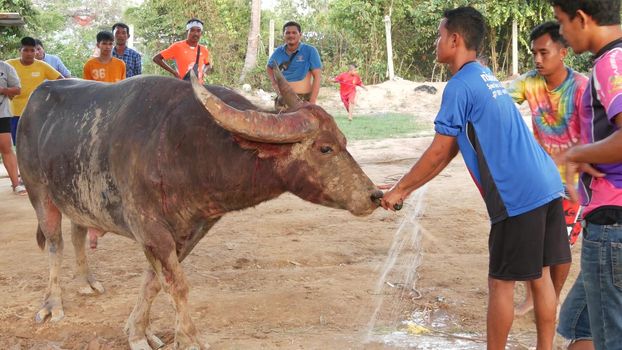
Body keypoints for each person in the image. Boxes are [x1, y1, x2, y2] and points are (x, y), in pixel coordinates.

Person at [380, 7, 570, 350]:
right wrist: (403, 184)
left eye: (440, 36)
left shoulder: (459, 86)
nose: (436, 42)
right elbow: (451, 147)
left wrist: (400, 191)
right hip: (546, 184)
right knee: (540, 276)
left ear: (455, 40)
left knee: (501, 283)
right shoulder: (484, 76)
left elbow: (439, 150)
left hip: (517, 195)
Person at [552, 1, 622, 349]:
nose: (561, 31)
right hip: (608, 222)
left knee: (610, 337)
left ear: (581, 18)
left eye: (561, 22)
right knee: (580, 322)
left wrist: (576, 154)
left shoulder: (612, 63)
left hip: (613, 224)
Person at [507, 21, 588, 319]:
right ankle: (535, 297)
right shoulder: (529, 83)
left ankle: (551, 296)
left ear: (563, 52)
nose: (538, 60)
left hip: (574, 182)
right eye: (534, 54)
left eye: (544, 52)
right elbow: (500, 104)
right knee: (535, 241)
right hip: (538, 180)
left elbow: (596, 135)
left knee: (561, 245)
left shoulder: (581, 88)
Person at [7, 37, 62, 145]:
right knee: (17, 144)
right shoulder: (9, 65)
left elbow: (62, 81)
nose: (29, 53)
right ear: (20, 51)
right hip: (14, 113)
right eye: (26, 50)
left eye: (32, 50)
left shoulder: (42, 65)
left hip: (36, 113)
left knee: (36, 143)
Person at [266, 21, 322, 108]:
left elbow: (317, 76)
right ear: (283, 35)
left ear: (300, 34)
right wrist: (274, 83)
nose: (291, 35)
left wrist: (313, 101)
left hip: (303, 100)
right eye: (287, 33)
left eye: (294, 32)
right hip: (283, 100)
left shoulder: (310, 51)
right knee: (280, 122)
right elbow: (269, 67)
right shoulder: (278, 51)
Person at [0, 60, 24, 195]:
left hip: (2, 113)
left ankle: (16, 184)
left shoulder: (5, 67)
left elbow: (17, 89)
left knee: (6, 147)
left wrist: (3, 90)